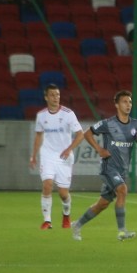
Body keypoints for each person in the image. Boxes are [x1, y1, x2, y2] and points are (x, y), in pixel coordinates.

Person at [70, 91, 137, 242]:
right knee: (122, 190)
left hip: (122, 170)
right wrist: (99, 149)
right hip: (108, 167)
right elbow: (87, 134)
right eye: (125, 102)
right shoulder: (107, 123)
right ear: (117, 105)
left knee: (102, 204)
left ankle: (77, 225)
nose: (128, 105)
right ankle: (122, 231)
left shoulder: (136, 124)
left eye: (130, 102)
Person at [29, 84, 85, 230]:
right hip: (47, 155)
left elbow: (80, 135)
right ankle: (47, 221)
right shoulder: (41, 115)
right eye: (53, 95)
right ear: (46, 97)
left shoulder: (68, 114)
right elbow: (38, 135)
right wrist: (33, 155)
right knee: (47, 185)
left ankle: (66, 215)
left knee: (63, 193)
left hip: (64, 156)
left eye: (58, 95)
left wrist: (69, 149)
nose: (56, 98)